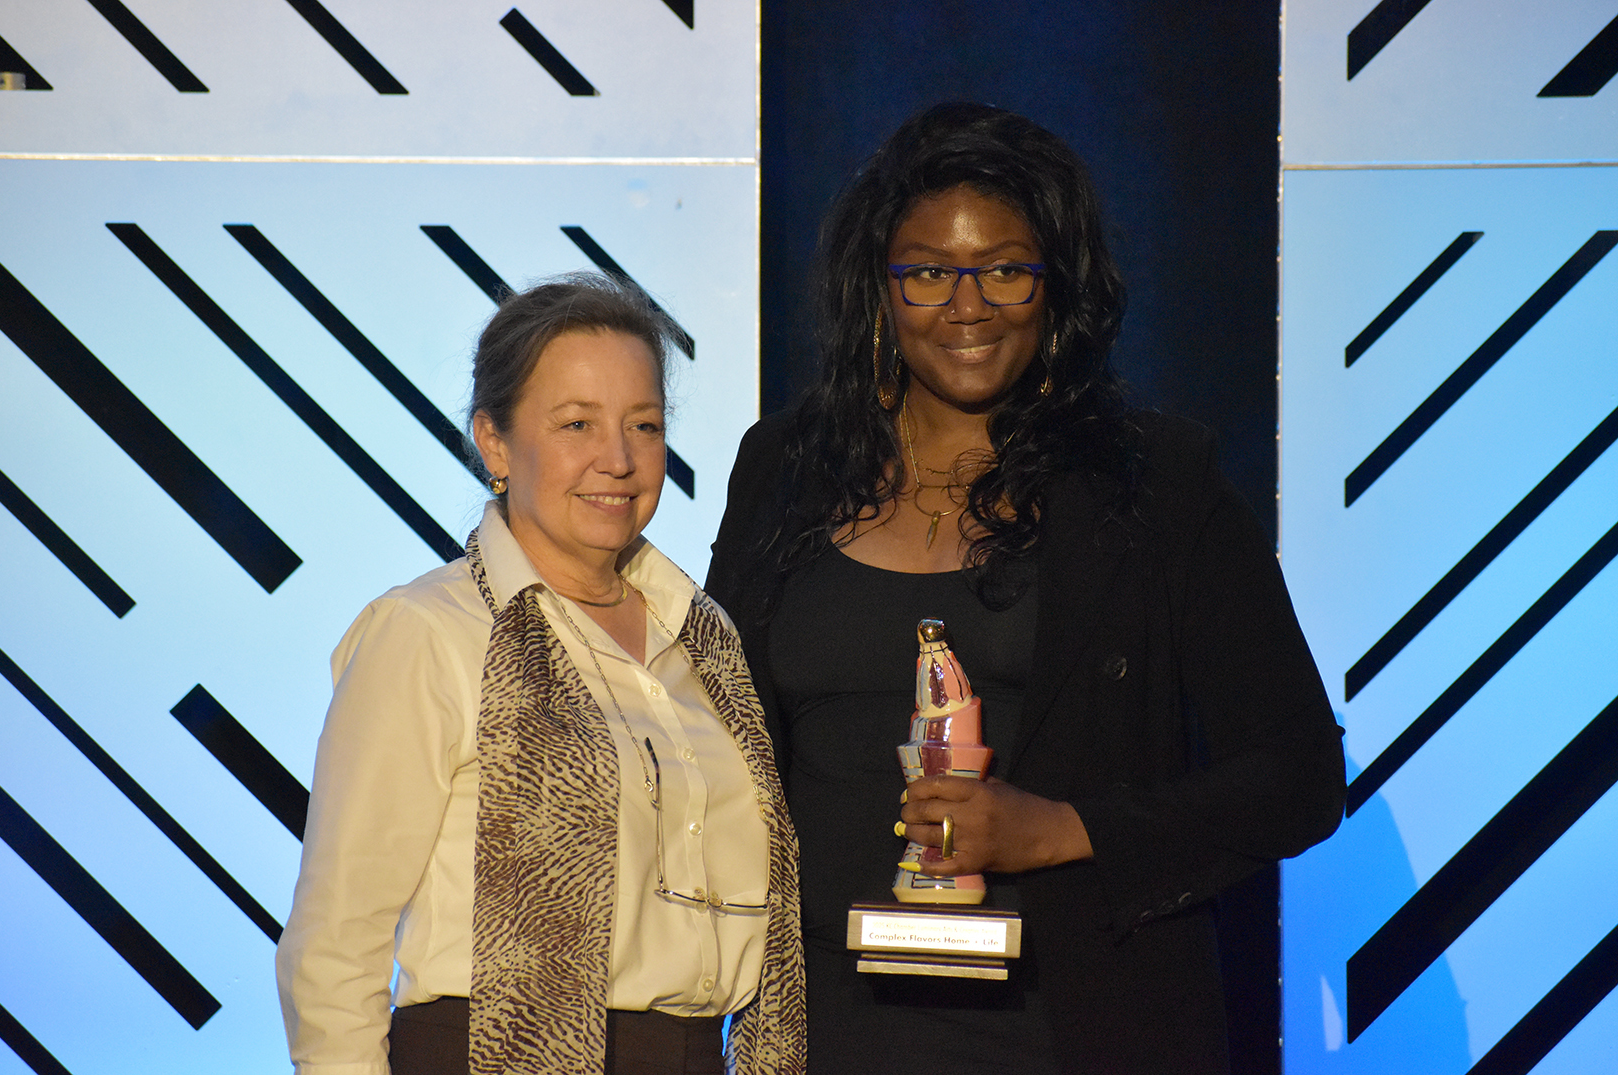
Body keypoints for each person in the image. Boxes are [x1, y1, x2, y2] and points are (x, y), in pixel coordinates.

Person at [704, 103, 1345, 1074]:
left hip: (1080, 1023)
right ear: (876, 289)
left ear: (1057, 287)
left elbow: (1296, 776)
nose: (967, 305)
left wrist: (1064, 830)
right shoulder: (784, 468)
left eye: (1005, 268)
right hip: (824, 1027)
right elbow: (717, 739)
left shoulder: (1154, 484)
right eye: (926, 272)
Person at [277, 273, 806, 1075]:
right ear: (495, 442)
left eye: (645, 424)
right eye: (576, 424)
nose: (619, 459)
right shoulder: (429, 632)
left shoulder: (706, 642)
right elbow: (333, 946)